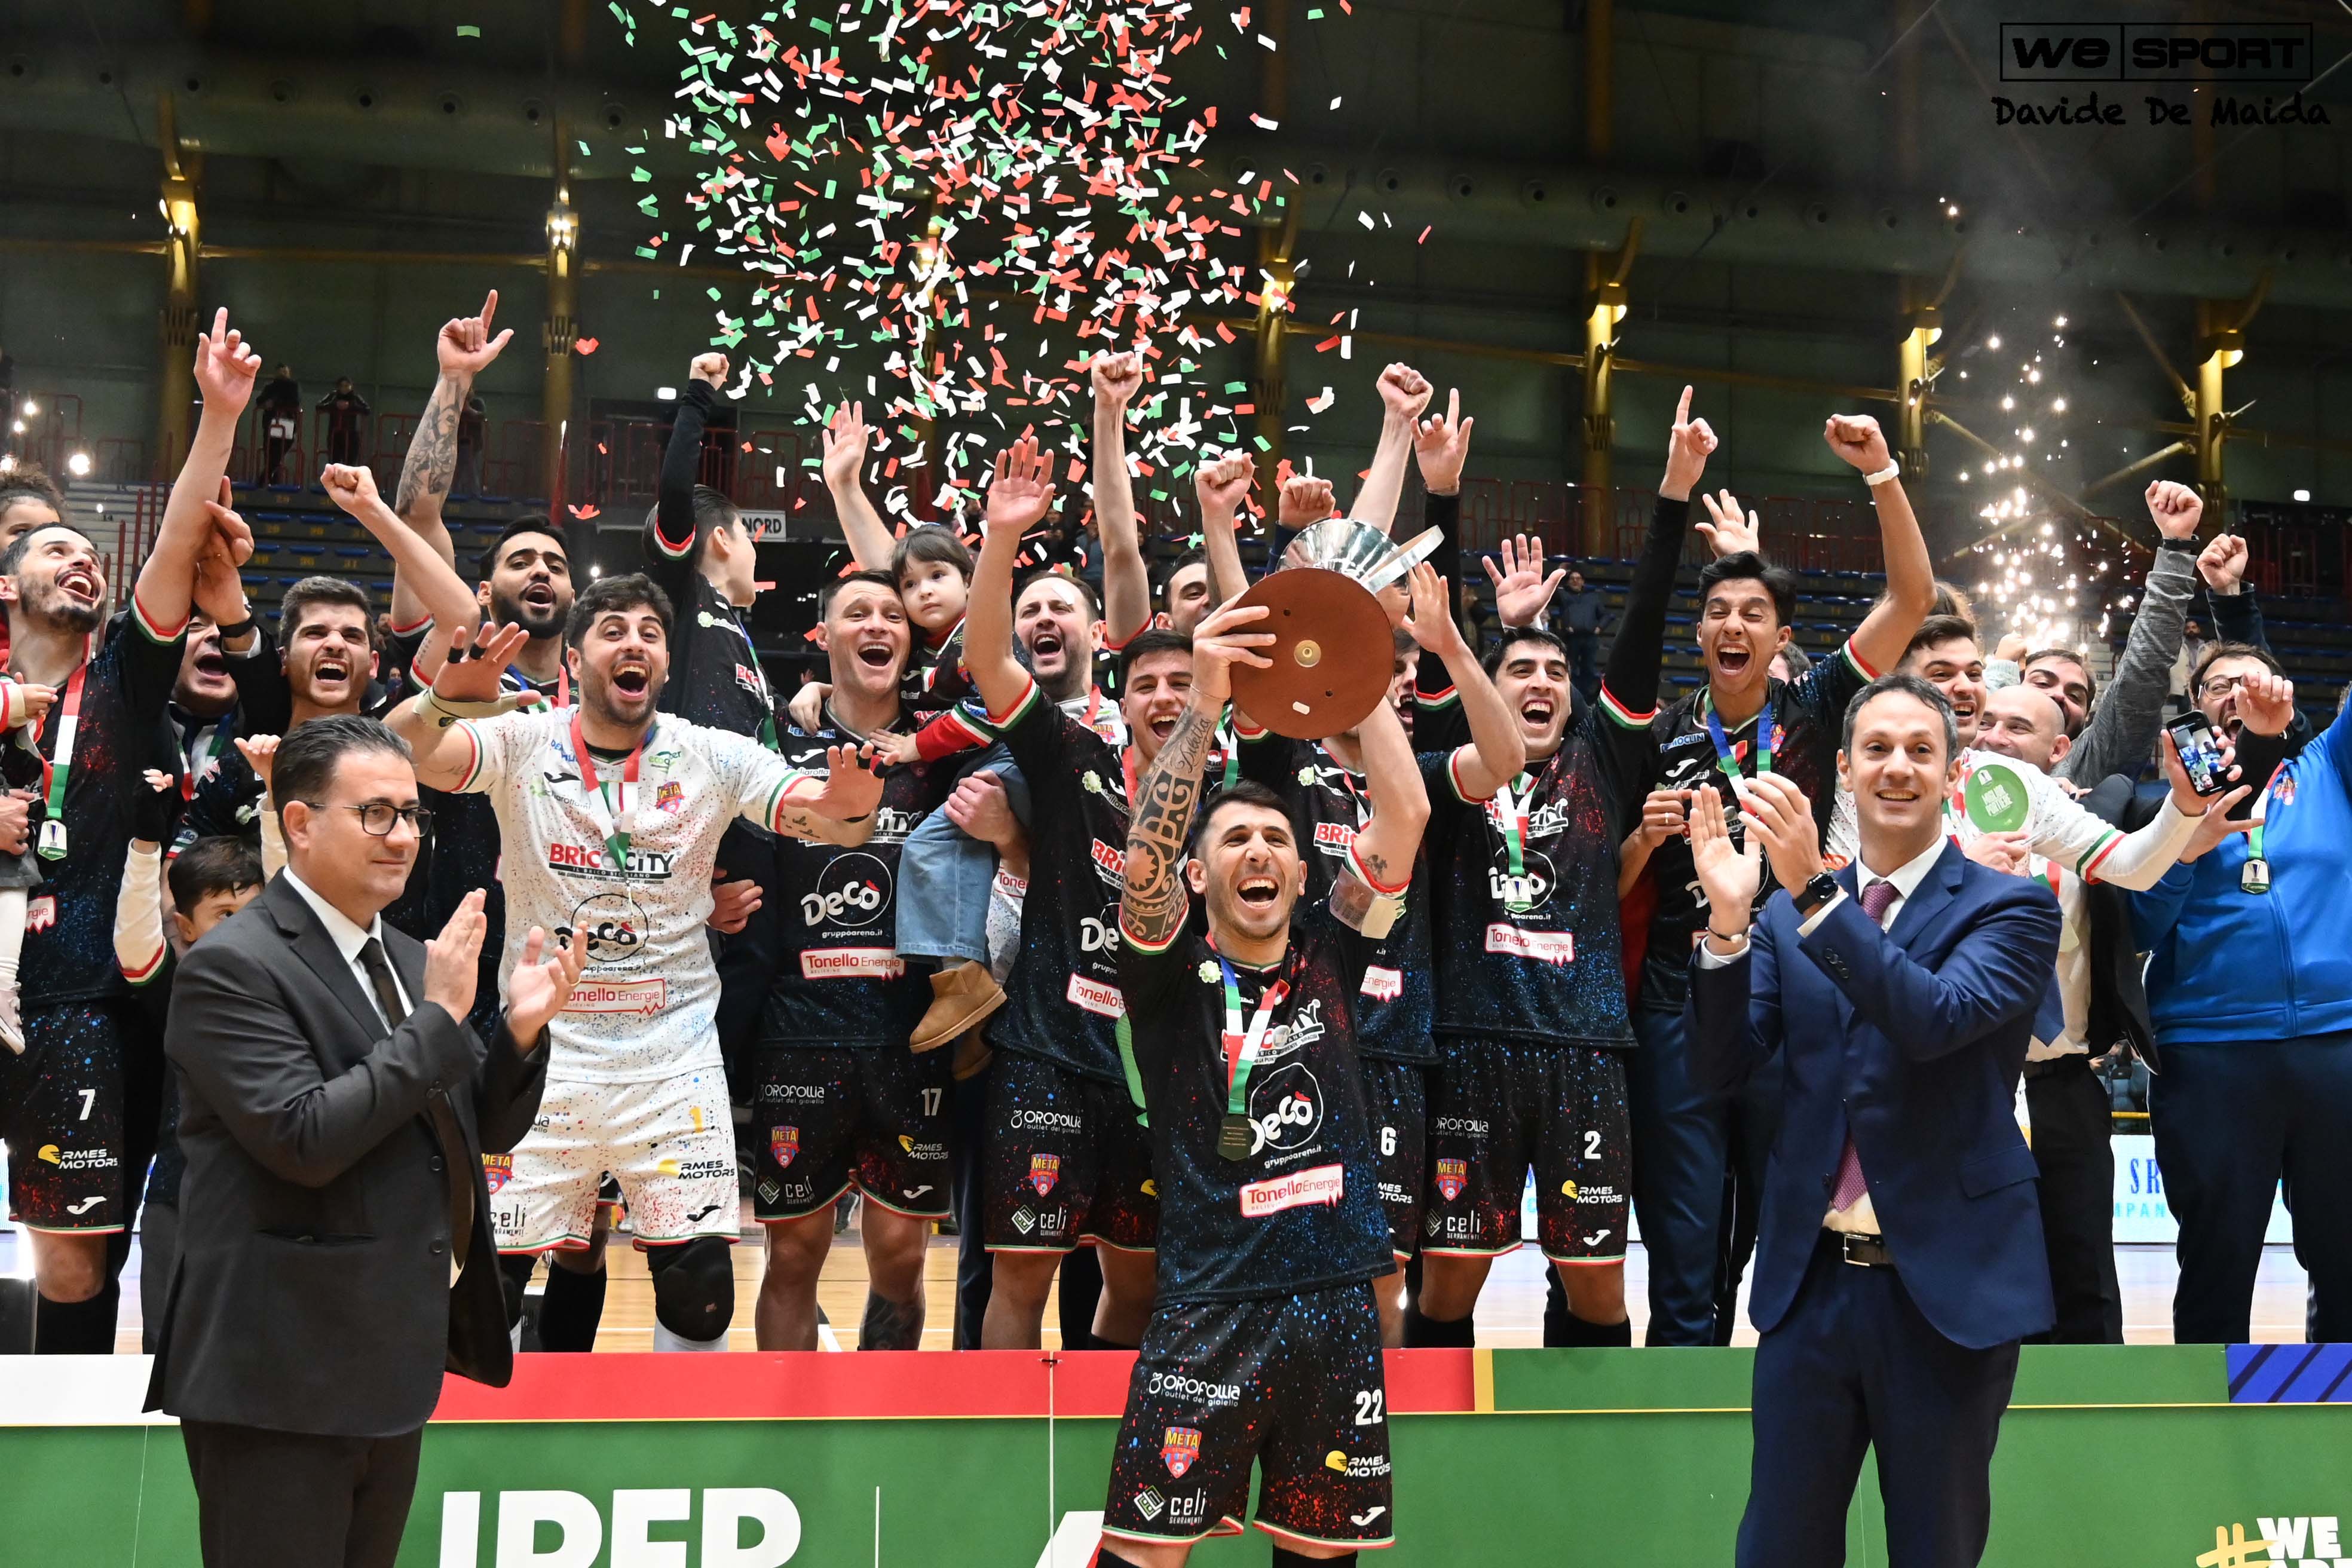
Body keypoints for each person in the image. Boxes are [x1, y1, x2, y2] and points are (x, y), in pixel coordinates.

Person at [387, 577, 881, 1353]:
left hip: (672, 1064)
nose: (635, 643)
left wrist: (852, 802)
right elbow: (401, 752)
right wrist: (442, 702)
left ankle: (679, 1430)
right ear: (575, 657)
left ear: (664, 662)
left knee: (701, 1297)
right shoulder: (523, 741)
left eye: (650, 632)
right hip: (545, 1058)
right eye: (614, 629)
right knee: (488, 1291)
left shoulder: (713, 754)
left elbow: (835, 820)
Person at [145, 716, 582, 1568]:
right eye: (376, 813)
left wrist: (520, 1035)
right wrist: (439, 1018)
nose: (404, 836)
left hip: (386, 1363)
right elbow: (303, 1137)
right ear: (300, 824)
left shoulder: (414, 960)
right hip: (275, 1374)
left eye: (412, 814)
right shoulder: (232, 965)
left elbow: (473, 1127)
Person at [1687, 675, 2063, 1568]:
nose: (1898, 766)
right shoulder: (1782, 916)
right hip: (1809, 1281)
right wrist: (1730, 925)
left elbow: (1932, 1019)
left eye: (1921, 750)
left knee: (1936, 1548)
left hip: (1948, 1291)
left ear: (1953, 774)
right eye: (1878, 749)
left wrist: (1816, 894)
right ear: (1846, 771)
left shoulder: (2011, 906)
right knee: (1777, 1548)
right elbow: (1718, 1069)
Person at [1095, 593, 1425, 1566]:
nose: (1259, 852)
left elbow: (1406, 813)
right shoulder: (1165, 974)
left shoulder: (1332, 952)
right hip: (1209, 1306)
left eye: (1277, 840)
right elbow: (1143, 865)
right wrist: (1204, 703)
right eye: (1234, 839)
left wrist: (1360, 670)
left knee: (1321, 1559)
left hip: (1335, 1306)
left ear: (1300, 872)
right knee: (1144, 1553)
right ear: (1199, 876)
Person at [1613, 409, 1935, 1349]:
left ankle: (1759, 1396)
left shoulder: (1817, 705)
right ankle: (1682, 1399)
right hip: (1677, 999)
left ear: (1780, 634)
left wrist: (1881, 472)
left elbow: (1912, 596)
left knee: (1767, 1228)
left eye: (1754, 613)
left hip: (1791, 999)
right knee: (1683, 1242)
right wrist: (1643, 836)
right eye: (1718, 612)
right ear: (1699, 632)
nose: (1734, 625)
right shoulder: (1660, 733)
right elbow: (1610, 874)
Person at [0, 307, 248, 1355]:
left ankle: (72, 1448)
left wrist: (219, 415)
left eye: (88, 551)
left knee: (73, 1257)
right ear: (6, 585)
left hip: (81, 998)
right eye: (54, 549)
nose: (82, 561)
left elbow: (182, 538)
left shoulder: (120, 679)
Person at [959, 437, 1192, 1351]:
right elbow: (988, 659)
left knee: (1137, 1287)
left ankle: (1108, 1435)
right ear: (1122, 703)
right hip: (1048, 1057)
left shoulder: (1225, 807)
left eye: (1183, 685)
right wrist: (1000, 540)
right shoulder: (1073, 756)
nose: (1164, 698)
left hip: (1154, 1076)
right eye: (1148, 685)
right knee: (1019, 1280)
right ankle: (1003, 1436)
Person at [1970, 682, 2258, 1343]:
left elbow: (2139, 868)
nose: (1994, 736)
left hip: (2063, 1081)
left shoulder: (2095, 816)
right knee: (1971, 1278)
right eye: (1987, 721)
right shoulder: (1938, 822)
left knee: (2086, 1285)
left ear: (2059, 749)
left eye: (2017, 727)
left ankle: (2088, 1409)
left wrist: (2184, 810)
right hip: (1966, 1082)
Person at [749, 571, 960, 1350]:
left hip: (912, 1036)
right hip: (800, 1033)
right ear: (824, 635)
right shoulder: (779, 737)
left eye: (892, 615)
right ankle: (790, 1417)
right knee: (793, 1254)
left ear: (910, 639)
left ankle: (885, 1409)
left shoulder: (944, 743)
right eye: (857, 613)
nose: (876, 625)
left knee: (902, 1258)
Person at [2132, 644, 2351, 1343]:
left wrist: (2273, 731)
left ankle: (2338, 1405)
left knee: (2347, 1257)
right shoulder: (2159, 805)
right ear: (2195, 707)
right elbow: (2138, 925)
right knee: (2216, 1265)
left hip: (2338, 1042)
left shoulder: (2327, 767)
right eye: (2217, 684)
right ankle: (2205, 1414)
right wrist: (2184, 842)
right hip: (2210, 1053)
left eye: (2250, 679)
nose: (2235, 692)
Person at [120, 823, 264, 1354]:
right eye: (224, 914)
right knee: (168, 1354)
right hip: (178, 1199)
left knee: (257, 1360)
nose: (243, 927)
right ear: (186, 927)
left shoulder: (295, 985)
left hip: (266, 1204)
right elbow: (136, 940)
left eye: (254, 912)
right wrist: (145, 850)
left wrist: (274, 806)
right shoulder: (178, 984)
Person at [1983, 480, 2206, 783]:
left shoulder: (2088, 763)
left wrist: (2176, 547)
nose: (2058, 695)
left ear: (2086, 721)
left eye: (2076, 696)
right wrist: (1999, 672)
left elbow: (2143, 671)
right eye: (2042, 682)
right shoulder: (1969, 746)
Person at [1559, 566, 1604, 699]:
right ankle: (1570, 697)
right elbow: (1551, 591)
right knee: (1570, 668)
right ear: (1568, 582)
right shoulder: (1564, 595)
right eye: (1572, 579)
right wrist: (1560, 572)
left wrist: (1600, 627)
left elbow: (1606, 615)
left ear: (1583, 581)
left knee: (1588, 669)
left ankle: (1586, 699)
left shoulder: (1592, 597)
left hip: (1590, 638)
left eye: (1578, 579)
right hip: (1571, 638)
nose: (1575, 581)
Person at [258, 365, 302, 484]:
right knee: (270, 453)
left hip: (288, 423)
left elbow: (295, 402)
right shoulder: (270, 387)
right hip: (271, 423)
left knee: (279, 454)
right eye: (281, 371)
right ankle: (272, 480)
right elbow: (260, 400)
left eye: (285, 371)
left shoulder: (293, 386)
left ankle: (264, 479)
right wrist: (266, 403)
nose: (283, 373)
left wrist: (274, 403)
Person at [318, 376, 370, 467]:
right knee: (334, 463)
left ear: (351, 386)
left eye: (347, 386)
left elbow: (367, 410)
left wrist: (351, 406)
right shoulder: (333, 396)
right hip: (335, 434)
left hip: (351, 435)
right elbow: (319, 406)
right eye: (341, 386)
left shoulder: (355, 397)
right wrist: (334, 405)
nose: (344, 388)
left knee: (350, 463)